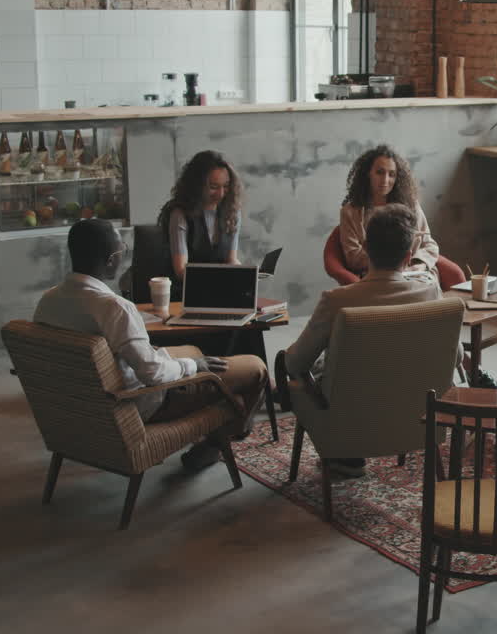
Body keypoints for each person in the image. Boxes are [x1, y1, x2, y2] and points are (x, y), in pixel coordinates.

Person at [34, 219, 267, 471]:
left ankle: (218, 431)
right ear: (111, 259)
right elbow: (152, 374)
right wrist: (192, 366)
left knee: (194, 351)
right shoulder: (114, 307)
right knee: (256, 369)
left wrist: (187, 361)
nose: (123, 254)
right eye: (122, 249)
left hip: (83, 404)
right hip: (137, 403)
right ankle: (218, 439)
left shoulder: (48, 300)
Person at [284, 203, 441, 477]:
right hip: (412, 412)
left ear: (366, 249)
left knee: (306, 372)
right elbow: (454, 356)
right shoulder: (430, 294)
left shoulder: (337, 300)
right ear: (408, 257)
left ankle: (345, 454)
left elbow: (296, 363)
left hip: (352, 414)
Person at [338, 145, 440, 275]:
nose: (385, 180)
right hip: (375, 276)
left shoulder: (411, 204)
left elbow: (430, 245)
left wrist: (420, 265)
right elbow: (353, 257)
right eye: (380, 172)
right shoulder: (349, 212)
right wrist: (393, 263)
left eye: (392, 174)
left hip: (414, 273)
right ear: (368, 173)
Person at [157, 150, 244, 289]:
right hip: (186, 292)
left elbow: (231, 260)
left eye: (226, 186)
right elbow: (181, 271)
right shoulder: (180, 214)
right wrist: (220, 278)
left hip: (220, 290)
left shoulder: (232, 212)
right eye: (213, 187)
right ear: (196, 186)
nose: (221, 194)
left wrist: (246, 275)